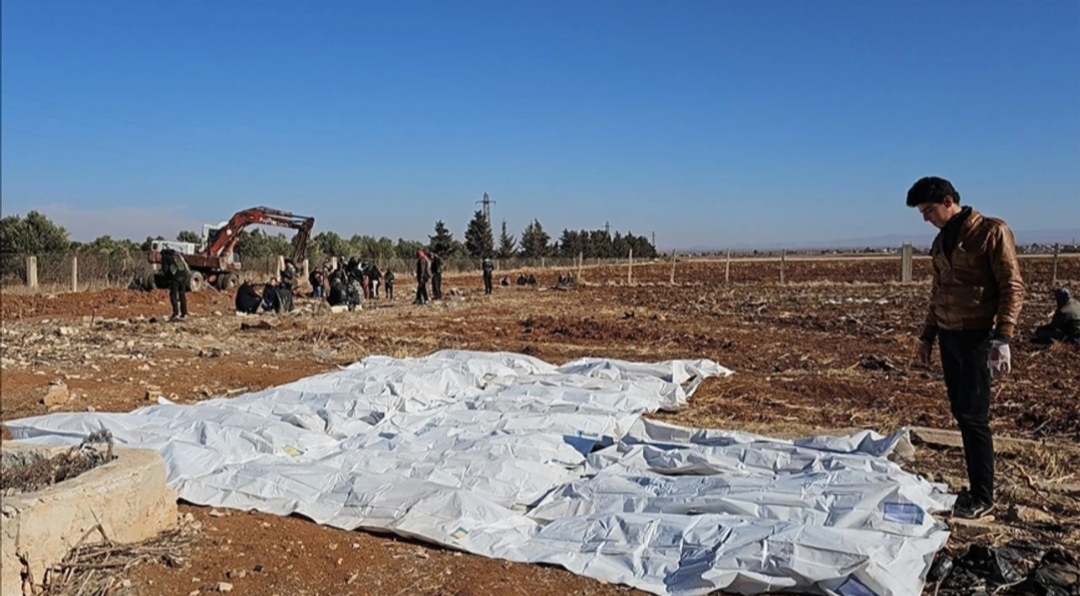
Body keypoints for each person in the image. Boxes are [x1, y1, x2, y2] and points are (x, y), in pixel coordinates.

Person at [908, 176, 1025, 519]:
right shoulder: (941, 241)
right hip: (949, 336)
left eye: (928, 210)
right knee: (962, 413)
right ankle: (976, 489)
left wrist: (1003, 336)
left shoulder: (991, 232)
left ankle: (983, 497)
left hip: (978, 337)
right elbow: (938, 293)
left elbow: (1012, 287)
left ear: (948, 201)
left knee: (974, 417)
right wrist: (927, 336)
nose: (925, 218)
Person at [160, 248, 190, 320]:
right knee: (182, 294)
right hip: (184, 276)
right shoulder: (177, 255)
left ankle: (175, 313)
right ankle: (184, 313)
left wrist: (165, 278)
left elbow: (165, 269)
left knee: (173, 295)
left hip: (175, 277)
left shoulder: (165, 257)